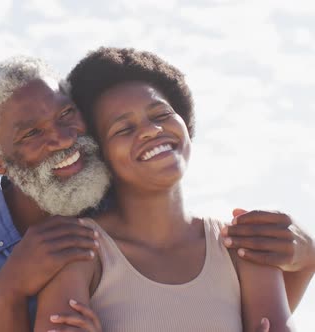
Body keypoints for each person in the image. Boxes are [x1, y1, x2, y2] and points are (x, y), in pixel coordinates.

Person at [0, 56, 315, 332]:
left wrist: (307, 256)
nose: (62, 139)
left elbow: (222, 310)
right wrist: (9, 290)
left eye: (65, 115)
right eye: (31, 133)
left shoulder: (119, 188)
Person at [32, 47, 301, 332]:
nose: (151, 130)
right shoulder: (77, 251)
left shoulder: (245, 249)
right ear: (99, 154)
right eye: (123, 129)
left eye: (161, 114)